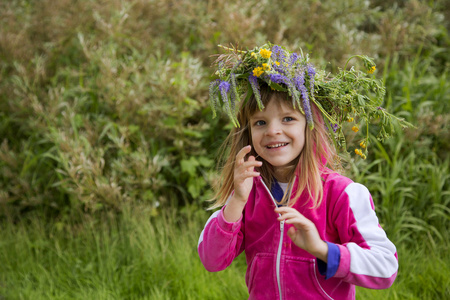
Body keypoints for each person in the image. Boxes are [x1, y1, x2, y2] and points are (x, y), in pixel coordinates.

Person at [198, 44, 403, 299]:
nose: (273, 131)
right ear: (248, 132)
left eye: (288, 119)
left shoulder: (342, 193)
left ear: (310, 126)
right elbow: (211, 260)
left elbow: (385, 267)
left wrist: (322, 249)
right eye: (260, 122)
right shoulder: (247, 191)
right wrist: (236, 200)